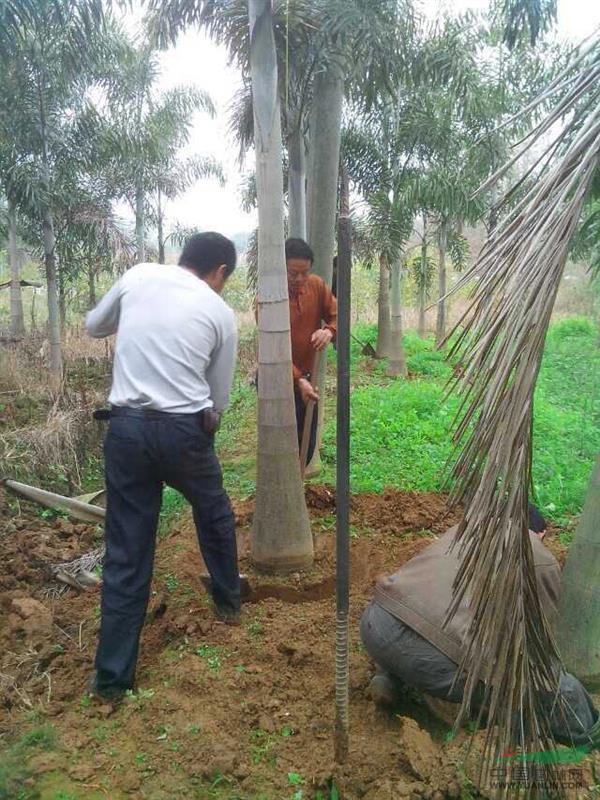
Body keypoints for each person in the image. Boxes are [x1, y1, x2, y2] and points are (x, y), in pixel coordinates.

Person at [85, 232, 240, 703]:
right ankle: (229, 601)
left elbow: (94, 326)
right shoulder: (220, 312)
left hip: (127, 430)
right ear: (219, 273)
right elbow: (219, 400)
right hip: (184, 432)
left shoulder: (139, 276)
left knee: (128, 549)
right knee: (212, 510)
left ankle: (112, 681)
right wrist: (203, 423)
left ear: (183, 258)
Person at [361, 504, 598, 744]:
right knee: (549, 682)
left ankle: (389, 675)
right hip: (434, 661)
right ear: (541, 534)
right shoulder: (537, 557)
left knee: (425, 622)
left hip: (377, 623)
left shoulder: (463, 530)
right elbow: (540, 648)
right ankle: (586, 736)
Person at [285, 238, 337, 463]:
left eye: (304, 273)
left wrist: (329, 331)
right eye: (292, 273)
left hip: (308, 376)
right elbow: (272, 351)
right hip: (276, 378)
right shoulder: (268, 297)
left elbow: (337, 314)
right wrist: (297, 380)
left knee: (307, 440)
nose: (299, 279)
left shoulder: (316, 285)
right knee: (285, 439)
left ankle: (297, 491)